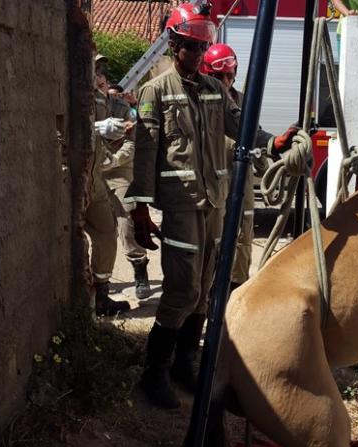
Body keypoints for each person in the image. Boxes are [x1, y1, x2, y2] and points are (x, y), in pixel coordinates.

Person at [125, 3, 299, 409]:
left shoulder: (213, 89)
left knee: (205, 290)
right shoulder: (156, 92)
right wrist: (138, 209)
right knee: (182, 288)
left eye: (203, 48)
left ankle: (185, 365)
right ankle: (154, 373)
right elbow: (146, 152)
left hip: (214, 204)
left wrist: (273, 143)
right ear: (173, 44)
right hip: (181, 205)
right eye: (190, 47)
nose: (198, 55)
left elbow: (241, 127)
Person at [201, 43, 270, 290]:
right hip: (213, 179)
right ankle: (211, 288)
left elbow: (254, 134)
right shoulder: (202, 101)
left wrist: (265, 166)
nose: (226, 80)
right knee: (215, 235)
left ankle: (237, 286)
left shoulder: (244, 101)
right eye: (219, 76)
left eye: (230, 75)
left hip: (242, 178)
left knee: (244, 233)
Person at [86, 54, 131, 315]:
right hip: (68, 178)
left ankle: (101, 294)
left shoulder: (102, 96)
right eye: (94, 69)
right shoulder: (73, 88)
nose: (99, 74)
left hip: (94, 176)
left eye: (100, 69)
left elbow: (109, 132)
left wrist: (114, 131)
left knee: (106, 231)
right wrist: (96, 127)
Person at [103, 84, 153, 300]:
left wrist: (113, 160)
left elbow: (132, 142)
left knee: (127, 220)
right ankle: (100, 283)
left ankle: (139, 266)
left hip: (119, 171)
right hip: (92, 171)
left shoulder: (122, 109)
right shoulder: (85, 105)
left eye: (102, 78)